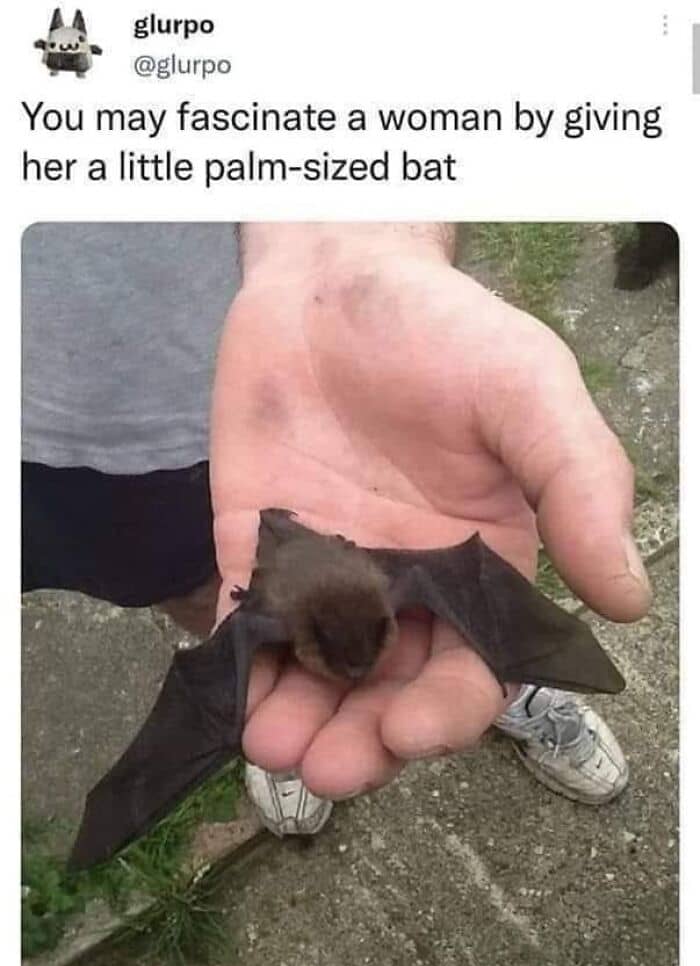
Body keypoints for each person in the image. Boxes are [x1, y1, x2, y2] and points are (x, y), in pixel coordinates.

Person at [23, 222, 651, 847]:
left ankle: (502, 667)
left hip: (242, 348)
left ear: (387, 617)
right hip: (50, 435)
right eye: (348, 664)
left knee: (230, 599)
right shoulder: (284, 614)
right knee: (189, 583)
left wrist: (346, 242)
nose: (357, 671)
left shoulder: (370, 590)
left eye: (358, 660)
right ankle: (265, 733)